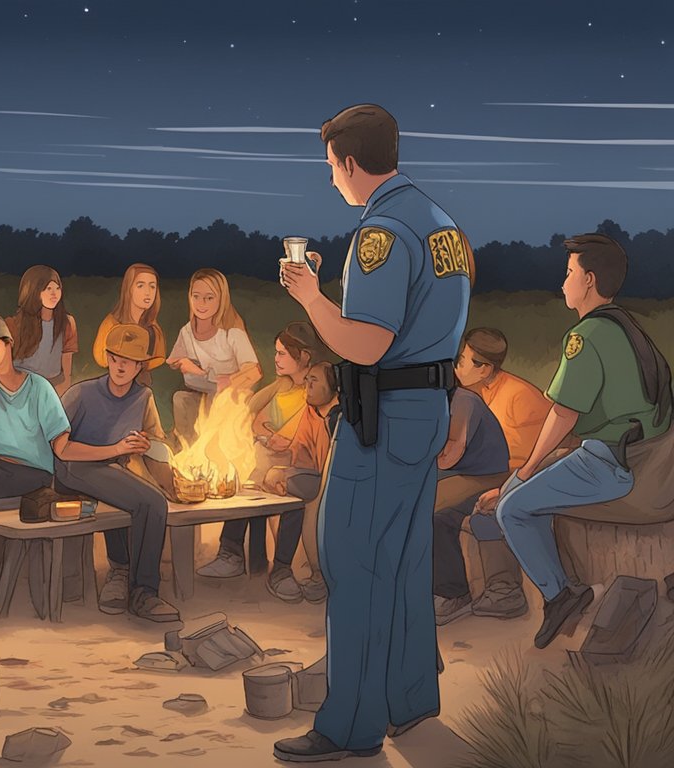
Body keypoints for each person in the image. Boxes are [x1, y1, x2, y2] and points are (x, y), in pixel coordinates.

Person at [274, 104, 471, 762]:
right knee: (405, 556)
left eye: (331, 166)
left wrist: (310, 298)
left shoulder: (380, 232)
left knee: (352, 559)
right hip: (425, 411)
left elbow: (366, 343)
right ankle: (411, 699)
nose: (331, 178)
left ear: (352, 163)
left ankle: (351, 725)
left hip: (383, 418)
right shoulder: (441, 224)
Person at [476, 234, 671, 649]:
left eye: (569, 274)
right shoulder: (626, 325)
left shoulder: (585, 337)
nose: (562, 282)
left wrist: (525, 471)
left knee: (513, 509)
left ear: (589, 280)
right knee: (521, 485)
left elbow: (564, 413)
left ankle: (560, 593)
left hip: (612, 463)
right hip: (640, 455)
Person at [0, 315, 151, 611]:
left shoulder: (38, 387)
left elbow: (62, 448)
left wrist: (114, 449)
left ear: (8, 343)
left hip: (31, 472)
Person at [55, 323, 179, 622]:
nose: (121, 365)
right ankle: (144, 592)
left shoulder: (143, 397)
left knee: (136, 493)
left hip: (111, 470)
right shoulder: (81, 394)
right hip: (73, 468)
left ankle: (122, 572)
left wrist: (146, 444)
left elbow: (157, 443)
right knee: (150, 502)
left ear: (140, 366)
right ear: (107, 358)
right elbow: (61, 449)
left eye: (130, 360)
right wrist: (116, 450)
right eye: (116, 358)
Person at [198, 322, 322, 580]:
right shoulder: (282, 385)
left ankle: (264, 564)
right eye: (276, 352)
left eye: (281, 354)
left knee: (256, 481)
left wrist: (268, 432)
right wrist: (259, 429)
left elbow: (295, 436)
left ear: (304, 356)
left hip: (294, 463)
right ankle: (231, 554)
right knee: (244, 481)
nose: (275, 359)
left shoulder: (313, 390)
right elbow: (249, 409)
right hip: (266, 455)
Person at [430, 385, 513, 626]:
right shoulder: (433, 402)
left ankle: (453, 593)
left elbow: (449, 455)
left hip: (482, 477)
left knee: (432, 514)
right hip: (453, 476)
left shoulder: (463, 401)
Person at [259, 361, 338, 604]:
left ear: (333, 386)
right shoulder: (310, 411)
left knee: (293, 487)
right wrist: (286, 475)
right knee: (293, 495)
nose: (308, 385)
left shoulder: (341, 416)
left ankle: (289, 569)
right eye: (307, 380)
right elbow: (301, 454)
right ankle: (281, 569)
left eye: (314, 380)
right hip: (311, 479)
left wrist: (283, 476)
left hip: (338, 482)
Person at [166, 268, 261, 441]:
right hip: (206, 388)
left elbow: (254, 371)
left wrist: (228, 381)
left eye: (209, 298)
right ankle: (187, 453)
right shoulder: (187, 331)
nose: (201, 303)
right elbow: (173, 359)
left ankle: (213, 451)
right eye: (196, 296)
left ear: (221, 299)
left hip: (232, 395)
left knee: (216, 398)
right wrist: (185, 363)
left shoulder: (231, 332)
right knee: (180, 399)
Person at [455, 327, 551, 473]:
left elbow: (523, 459)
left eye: (461, 363)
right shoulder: (474, 390)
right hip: (488, 467)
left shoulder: (518, 396)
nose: (456, 368)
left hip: (516, 471)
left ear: (484, 370)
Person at [7, 265, 79, 395]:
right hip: (21, 387)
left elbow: (66, 370)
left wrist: (61, 393)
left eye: (57, 288)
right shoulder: (13, 324)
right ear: (33, 290)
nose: (54, 294)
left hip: (52, 386)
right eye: (48, 288)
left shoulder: (67, 323)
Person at [93, 263, 166, 386]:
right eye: (140, 286)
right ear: (129, 288)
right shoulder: (111, 324)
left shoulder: (153, 329)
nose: (147, 292)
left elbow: (158, 358)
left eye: (152, 287)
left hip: (141, 384)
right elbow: (101, 357)